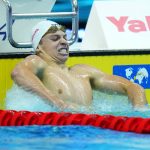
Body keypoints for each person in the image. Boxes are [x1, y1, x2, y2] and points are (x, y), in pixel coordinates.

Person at [11, 20, 147, 111]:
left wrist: (140, 111)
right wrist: (57, 102)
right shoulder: (39, 63)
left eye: (64, 37)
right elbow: (19, 73)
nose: (64, 41)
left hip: (87, 129)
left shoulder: (83, 71)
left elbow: (133, 87)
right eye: (55, 38)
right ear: (39, 46)